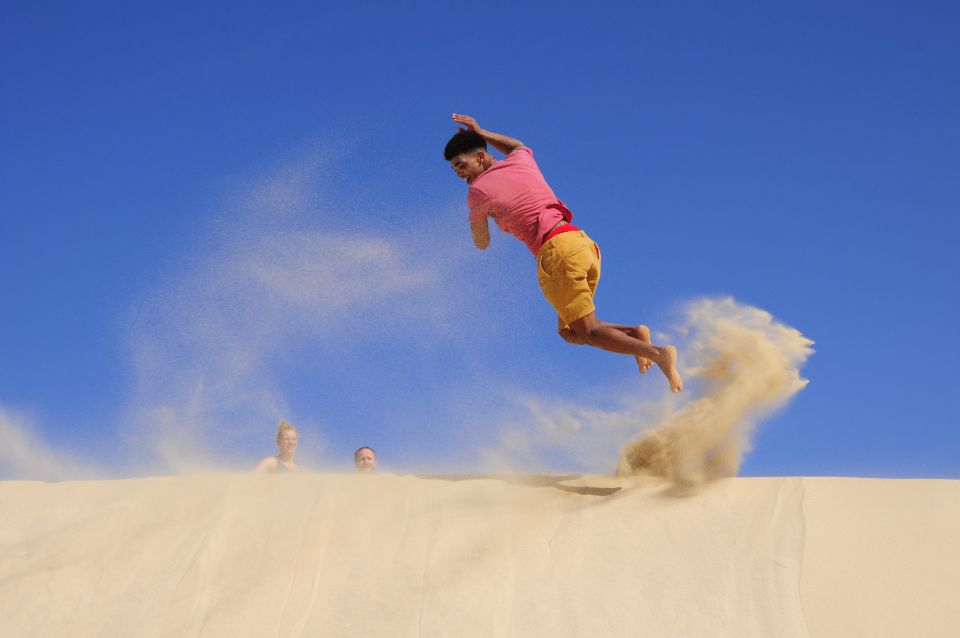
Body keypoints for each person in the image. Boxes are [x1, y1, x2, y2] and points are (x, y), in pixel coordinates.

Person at [445, 113, 683, 393]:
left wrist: (477, 218)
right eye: (455, 169)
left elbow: (481, 242)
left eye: (462, 165)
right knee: (571, 332)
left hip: (556, 253)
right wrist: (482, 132)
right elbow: (518, 145)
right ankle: (634, 336)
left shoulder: (478, 191)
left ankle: (658, 353)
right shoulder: (520, 162)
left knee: (588, 332)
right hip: (582, 245)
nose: (460, 173)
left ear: (482, 158)